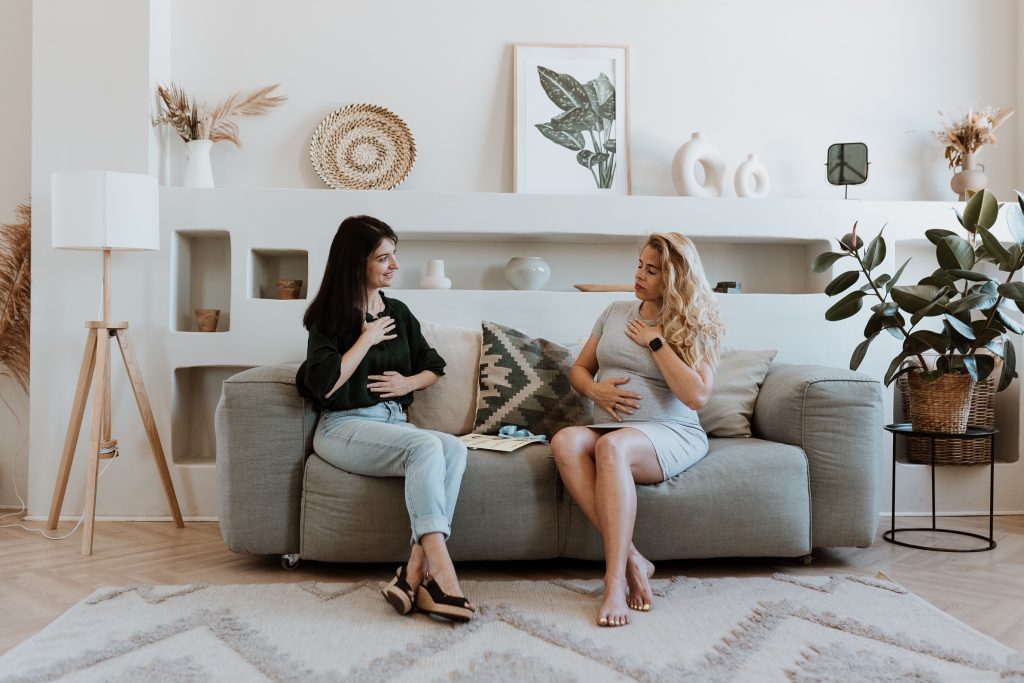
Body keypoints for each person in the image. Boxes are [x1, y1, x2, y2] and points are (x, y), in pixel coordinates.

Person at [295, 215, 474, 622]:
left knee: (453, 448)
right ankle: (443, 574)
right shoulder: (330, 317)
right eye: (383, 258)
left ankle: (412, 575)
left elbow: (434, 366)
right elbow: (324, 384)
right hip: (343, 426)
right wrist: (366, 338)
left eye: (394, 255)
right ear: (356, 262)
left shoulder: (399, 312)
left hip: (392, 422)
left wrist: (407, 382)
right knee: (425, 444)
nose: (395, 265)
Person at [551, 233, 724, 627]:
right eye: (639, 266)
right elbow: (580, 369)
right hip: (611, 426)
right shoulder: (614, 311)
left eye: (652, 270)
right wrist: (595, 390)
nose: (639, 276)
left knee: (612, 448)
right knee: (565, 441)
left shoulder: (693, 323)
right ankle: (633, 559)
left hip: (670, 430)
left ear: (674, 279)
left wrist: (656, 342)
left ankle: (614, 582)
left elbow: (697, 396)